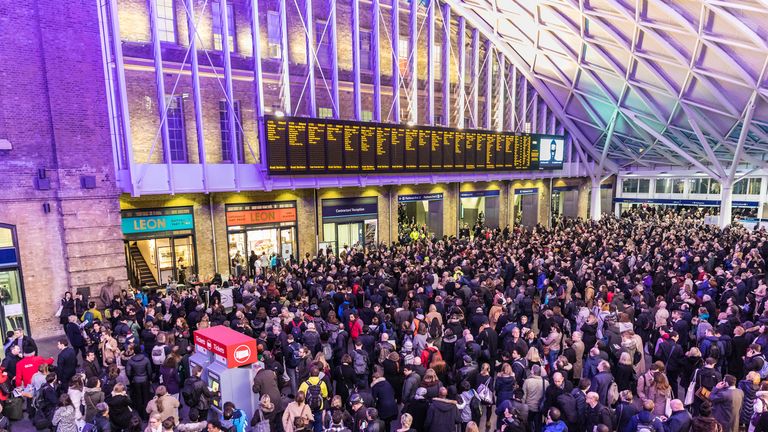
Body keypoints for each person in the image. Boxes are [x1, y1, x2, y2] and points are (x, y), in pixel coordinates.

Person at [298, 366, 329, 432]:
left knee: (308, 427)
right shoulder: (322, 383)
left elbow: (299, 396)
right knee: (318, 425)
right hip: (319, 408)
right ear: (318, 374)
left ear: (310, 374)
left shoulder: (304, 384)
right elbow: (325, 395)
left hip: (307, 409)